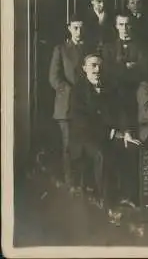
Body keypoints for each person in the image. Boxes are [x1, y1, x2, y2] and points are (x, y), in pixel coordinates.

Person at [69, 53, 140, 215]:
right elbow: (83, 123)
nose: (97, 69)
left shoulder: (110, 88)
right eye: (93, 65)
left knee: (132, 147)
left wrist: (127, 132)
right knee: (102, 154)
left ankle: (127, 196)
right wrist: (113, 133)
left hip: (109, 135)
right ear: (84, 68)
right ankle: (109, 204)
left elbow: (121, 113)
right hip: (85, 138)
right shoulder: (78, 91)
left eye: (99, 65)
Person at [49, 14, 94, 187]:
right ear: (69, 28)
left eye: (81, 28)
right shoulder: (60, 49)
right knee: (69, 146)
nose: (78, 31)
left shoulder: (90, 48)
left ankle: (85, 183)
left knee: (86, 143)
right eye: (75, 27)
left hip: (87, 104)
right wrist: (72, 91)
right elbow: (54, 78)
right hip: (67, 105)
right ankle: (71, 184)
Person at [101, 13, 148, 129]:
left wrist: (119, 67)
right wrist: (128, 66)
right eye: (121, 24)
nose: (124, 28)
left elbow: (144, 71)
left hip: (136, 96)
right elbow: (107, 72)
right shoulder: (108, 48)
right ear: (116, 26)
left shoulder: (142, 47)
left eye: (127, 24)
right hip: (115, 96)